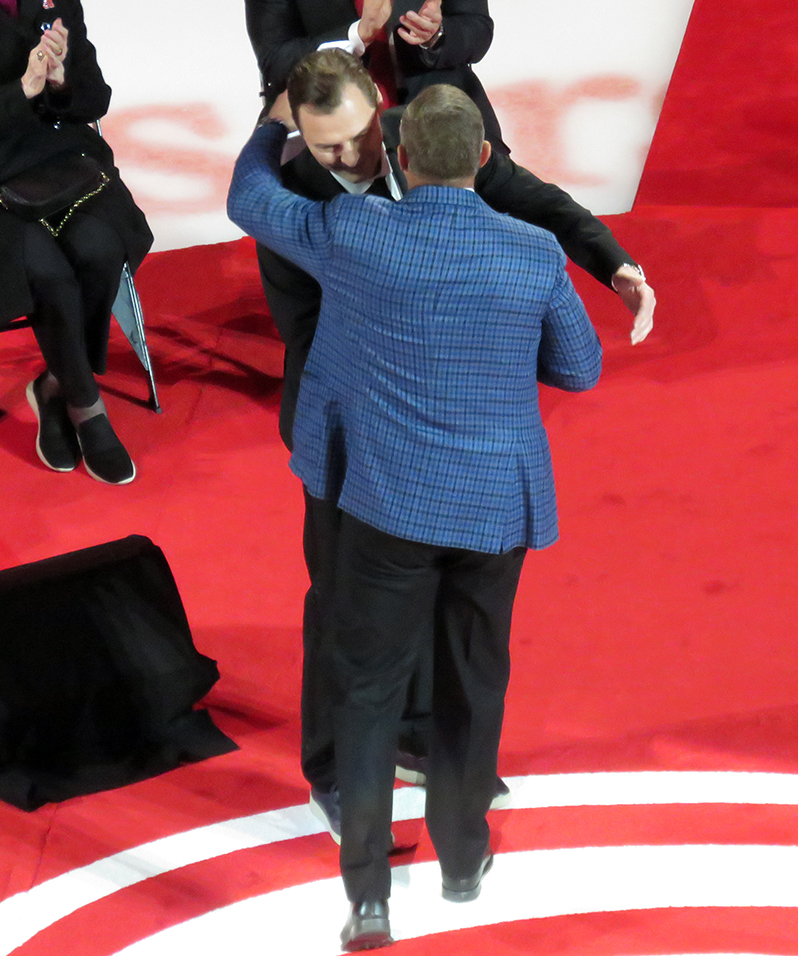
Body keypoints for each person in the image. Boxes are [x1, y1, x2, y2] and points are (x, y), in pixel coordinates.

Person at [228, 82, 603, 950]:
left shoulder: (356, 235)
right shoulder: (533, 253)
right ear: (480, 158)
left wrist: (273, 124)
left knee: (364, 690)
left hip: (388, 508)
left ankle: (368, 897)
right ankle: (463, 859)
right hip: (494, 515)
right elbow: (578, 369)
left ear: (399, 157)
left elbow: (250, 198)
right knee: (474, 679)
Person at [0, 0, 153, 484]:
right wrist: (22, 91)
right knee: (48, 274)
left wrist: (62, 80)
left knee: (100, 249)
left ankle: (53, 385)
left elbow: (94, 99)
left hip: (59, 158)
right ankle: (87, 407)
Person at [245, 0, 506, 142]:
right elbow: (276, 62)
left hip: (440, 117)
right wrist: (356, 36)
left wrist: (435, 35)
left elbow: (477, 28)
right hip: (328, 124)